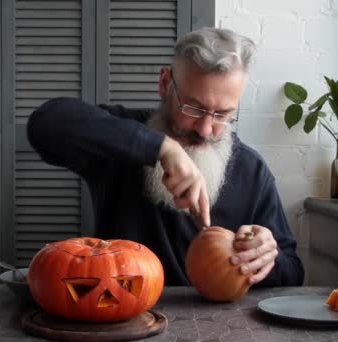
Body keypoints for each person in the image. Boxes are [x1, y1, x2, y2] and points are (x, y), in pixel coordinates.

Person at [27, 27, 304, 287]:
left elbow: (292, 273)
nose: (206, 129)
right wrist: (162, 148)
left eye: (223, 115)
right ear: (165, 83)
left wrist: (267, 258)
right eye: (194, 108)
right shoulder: (120, 134)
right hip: (122, 308)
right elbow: (45, 124)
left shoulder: (251, 169)